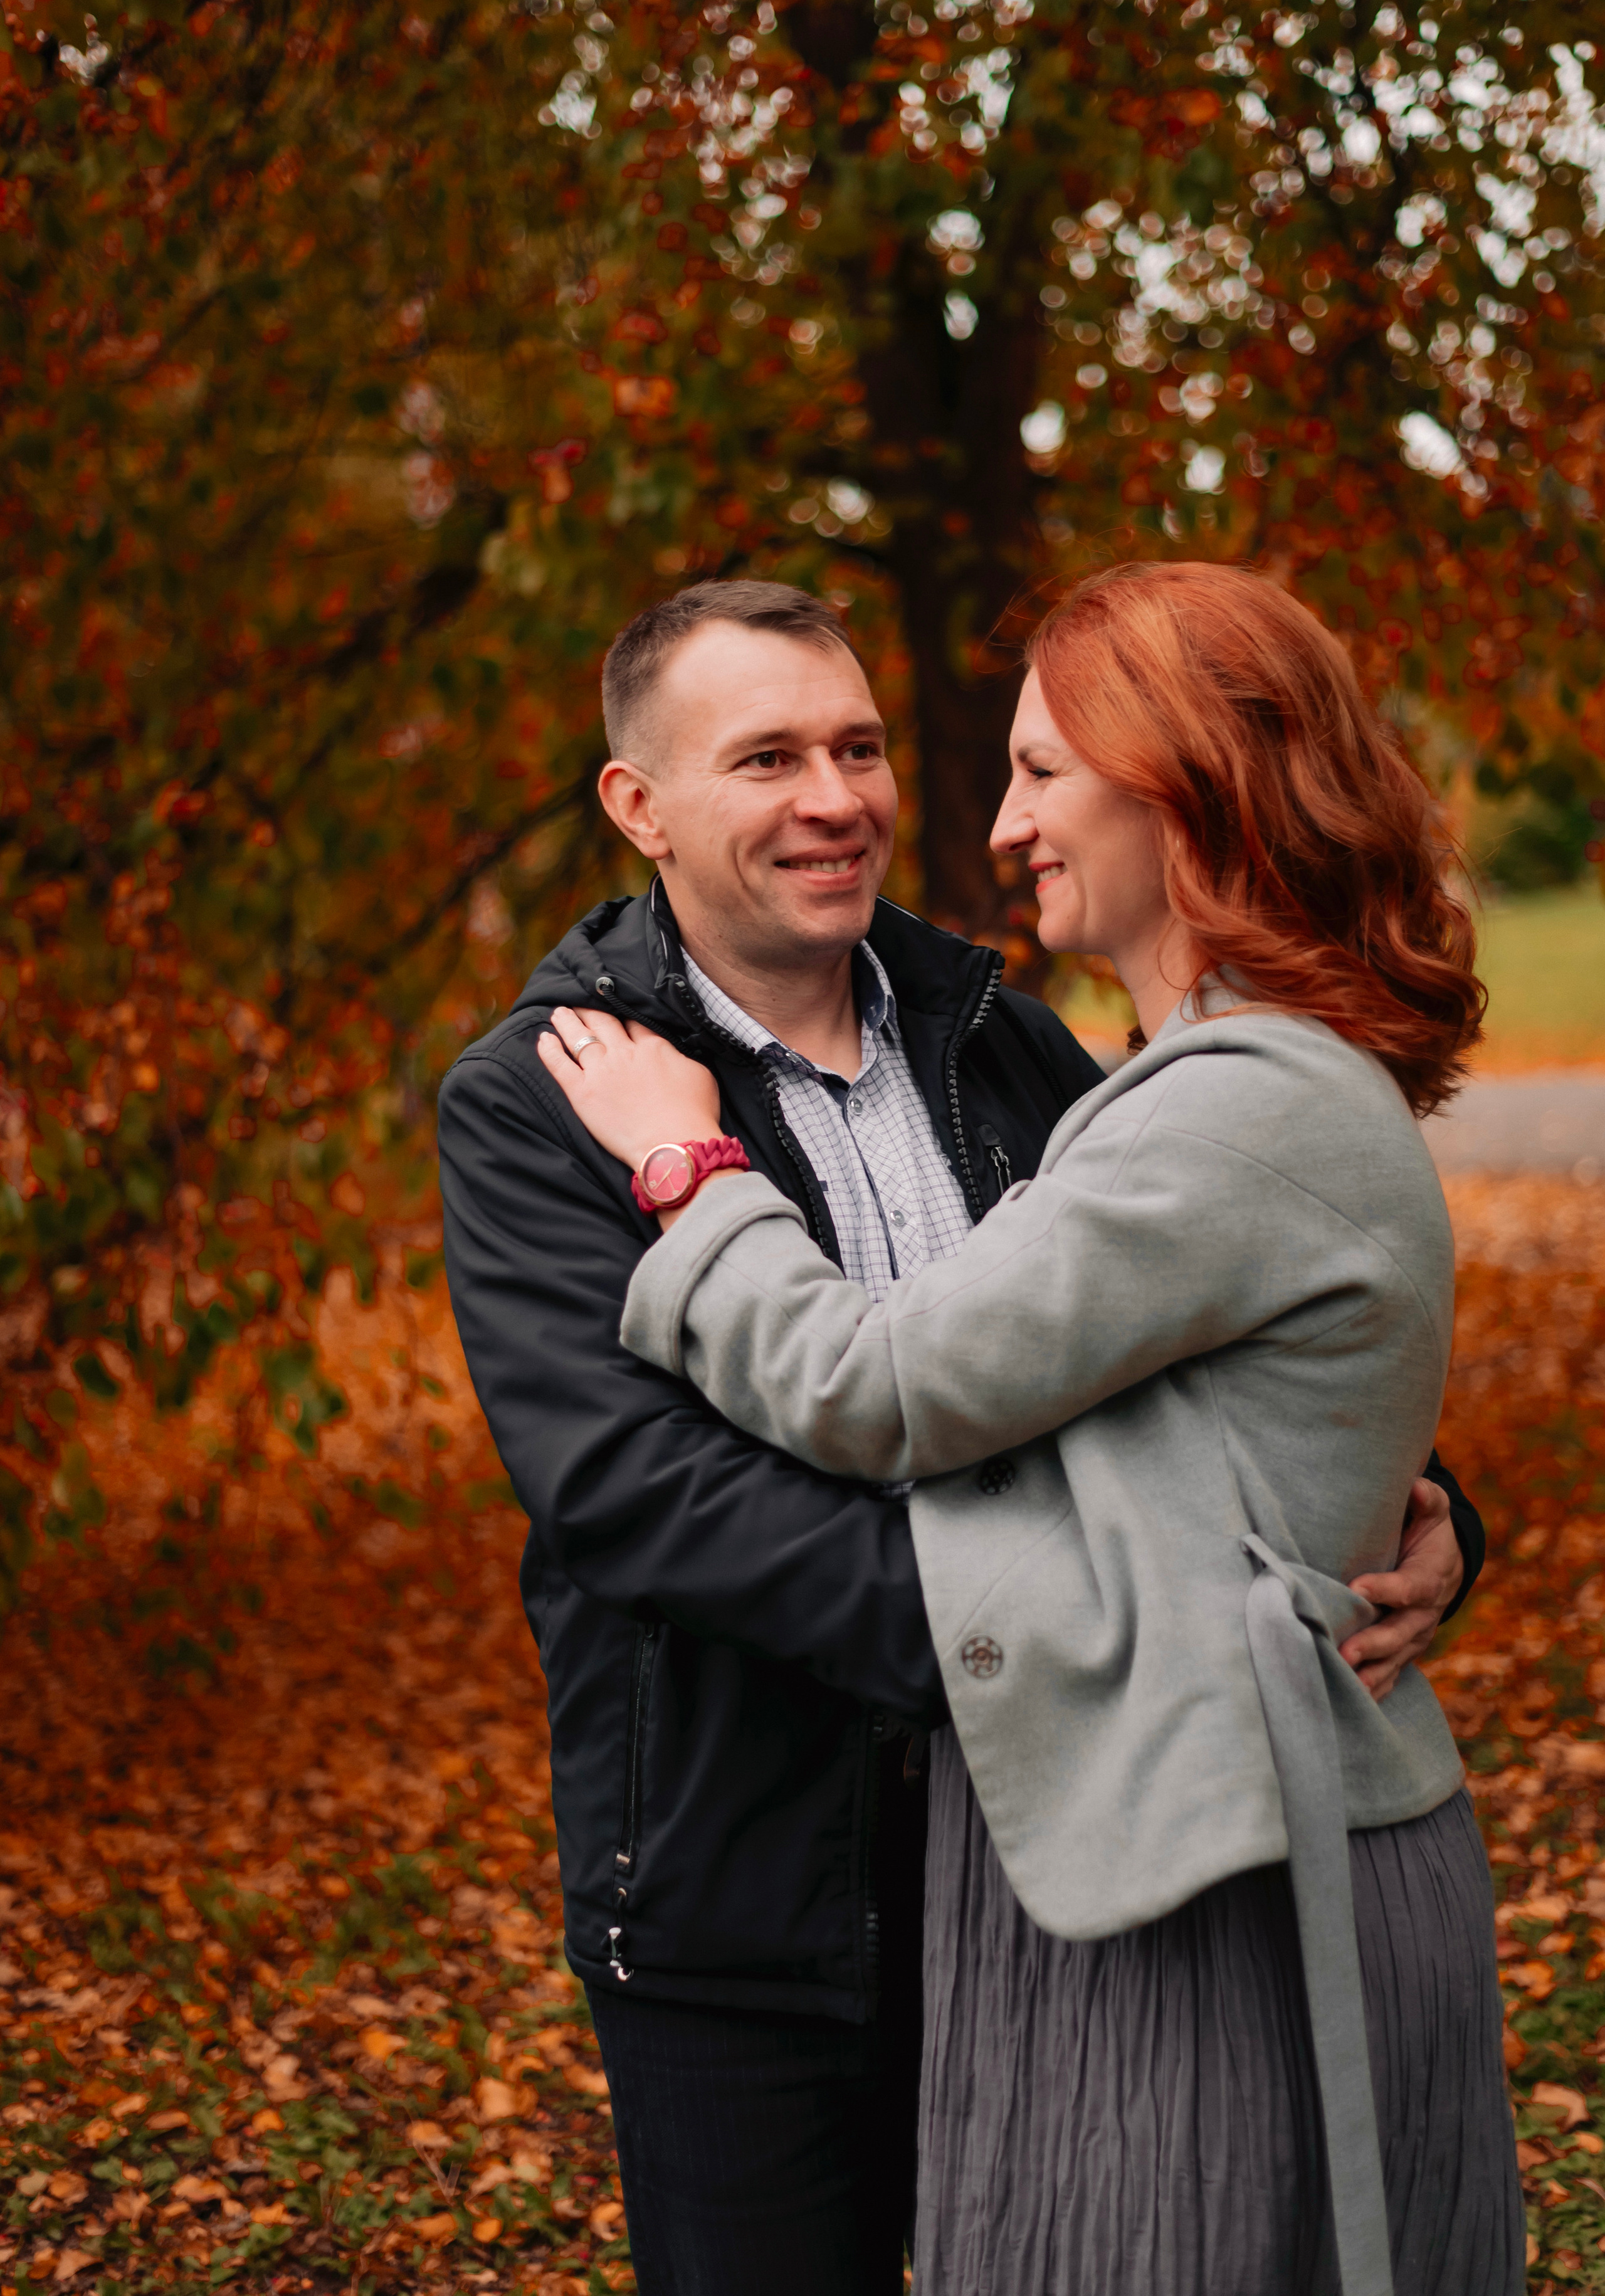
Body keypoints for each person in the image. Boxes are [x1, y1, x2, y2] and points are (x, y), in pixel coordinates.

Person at [439, 577, 1485, 2296]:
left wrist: (1419, 1503)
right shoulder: (553, 1095)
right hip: (745, 1891)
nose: (836, 797)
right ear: (641, 805)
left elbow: (1202, 1333)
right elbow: (635, 1495)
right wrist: (1014, 1633)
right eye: (766, 758)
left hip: (1071, 1868)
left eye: (856, 747)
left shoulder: (1001, 1034)